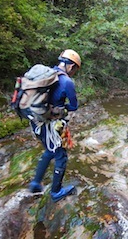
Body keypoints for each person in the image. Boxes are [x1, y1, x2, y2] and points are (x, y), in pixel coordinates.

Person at [29, 49, 81, 202]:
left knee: (49, 151)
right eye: (75, 70)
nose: (73, 73)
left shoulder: (48, 74)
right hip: (51, 126)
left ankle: (35, 183)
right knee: (61, 156)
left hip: (35, 121)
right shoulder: (66, 82)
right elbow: (73, 106)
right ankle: (56, 192)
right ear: (71, 67)